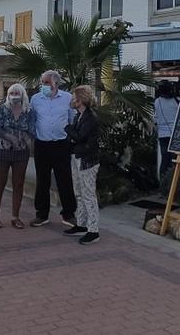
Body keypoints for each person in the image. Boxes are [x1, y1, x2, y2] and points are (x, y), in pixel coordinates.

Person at [29, 70, 78, 228]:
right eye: (42, 82)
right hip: (42, 144)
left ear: (56, 84)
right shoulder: (35, 99)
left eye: (46, 83)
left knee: (64, 179)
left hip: (61, 144)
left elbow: (72, 118)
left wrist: (69, 137)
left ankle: (69, 214)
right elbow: (32, 119)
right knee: (42, 180)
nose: (43, 85)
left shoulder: (67, 98)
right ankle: (42, 214)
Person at [0, 84, 34, 230]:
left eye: (17, 92)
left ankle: (15, 216)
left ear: (22, 95)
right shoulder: (2, 109)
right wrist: (11, 138)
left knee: (18, 183)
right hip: (3, 151)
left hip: (21, 152)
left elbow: (32, 131)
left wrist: (22, 139)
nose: (14, 95)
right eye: (12, 92)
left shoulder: (28, 111)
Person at [65, 85, 102, 245]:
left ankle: (93, 230)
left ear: (80, 100)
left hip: (87, 160)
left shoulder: (91, 118)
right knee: (78, 192)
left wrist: (68, 129)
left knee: (88, 194)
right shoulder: (78, 116)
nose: (72, 100)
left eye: (74, 97)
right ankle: (81, 224)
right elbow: (77, 137)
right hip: (77, 157)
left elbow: (80, 137)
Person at [153, 80, 180, 184]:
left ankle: (163, 183)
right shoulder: (177, 100)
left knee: (165, 160)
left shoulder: (157, 102)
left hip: (162, 135)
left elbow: (156, 118)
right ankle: (174, 184)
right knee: (174, 160)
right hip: (175, 134)